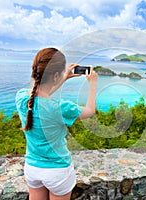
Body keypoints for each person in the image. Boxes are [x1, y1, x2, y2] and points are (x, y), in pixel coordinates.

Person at [15, 47, 98, 200]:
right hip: (57, 171)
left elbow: (39, 96)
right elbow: (90, 110)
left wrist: (62, 78)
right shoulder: (62, 108)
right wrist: (92, 83)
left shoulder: (21, 98)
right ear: (55, 75)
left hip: (32, 169)